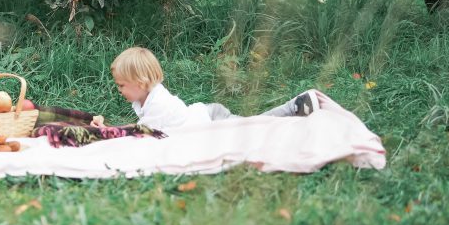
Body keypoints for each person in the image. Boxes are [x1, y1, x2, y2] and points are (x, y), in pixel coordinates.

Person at [109, 47, 320, 132]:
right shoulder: (146, 98)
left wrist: (108, 131)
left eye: (121, 85)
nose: (118, 90)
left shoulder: (158, 103)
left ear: (140, 82)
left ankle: (294, 106)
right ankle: (295, 111)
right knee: (251, 126)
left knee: (252, 127)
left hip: (212, 120)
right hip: (206, 114)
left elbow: (138, 133)